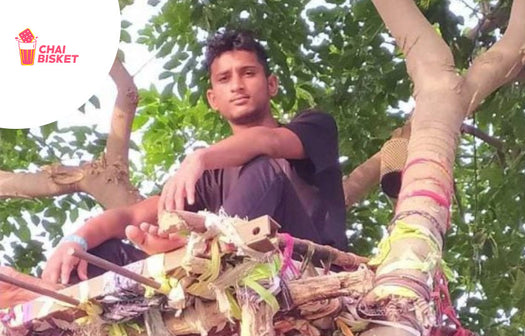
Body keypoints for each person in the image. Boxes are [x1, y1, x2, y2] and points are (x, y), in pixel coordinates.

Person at [24, 29, 343, 291]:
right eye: (224, 78)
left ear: (271, 84)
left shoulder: (314, 128)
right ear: (212, 98)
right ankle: (189, 260)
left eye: (248, 73)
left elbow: (268, 142)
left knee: (263, 168)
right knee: (96, 255)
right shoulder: (211, 173)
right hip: (218, 282)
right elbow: (130, 215)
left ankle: (197, 255)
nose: (237, 85)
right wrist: (74, 241)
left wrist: (198, 157)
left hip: (305, 270)